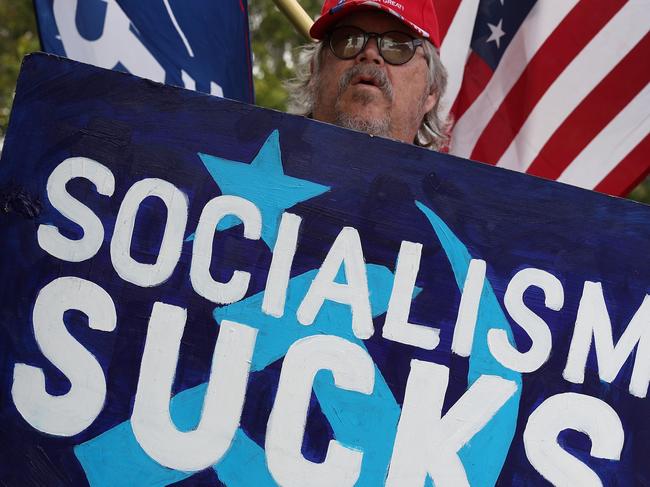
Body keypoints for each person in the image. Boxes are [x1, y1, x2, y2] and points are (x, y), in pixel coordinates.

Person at [288, 0, 449, 151]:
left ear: (431, 90)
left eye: (397, 45)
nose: (370, 53)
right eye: (348, 39)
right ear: (315, 71)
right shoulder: (263, 159)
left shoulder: (458, 181)